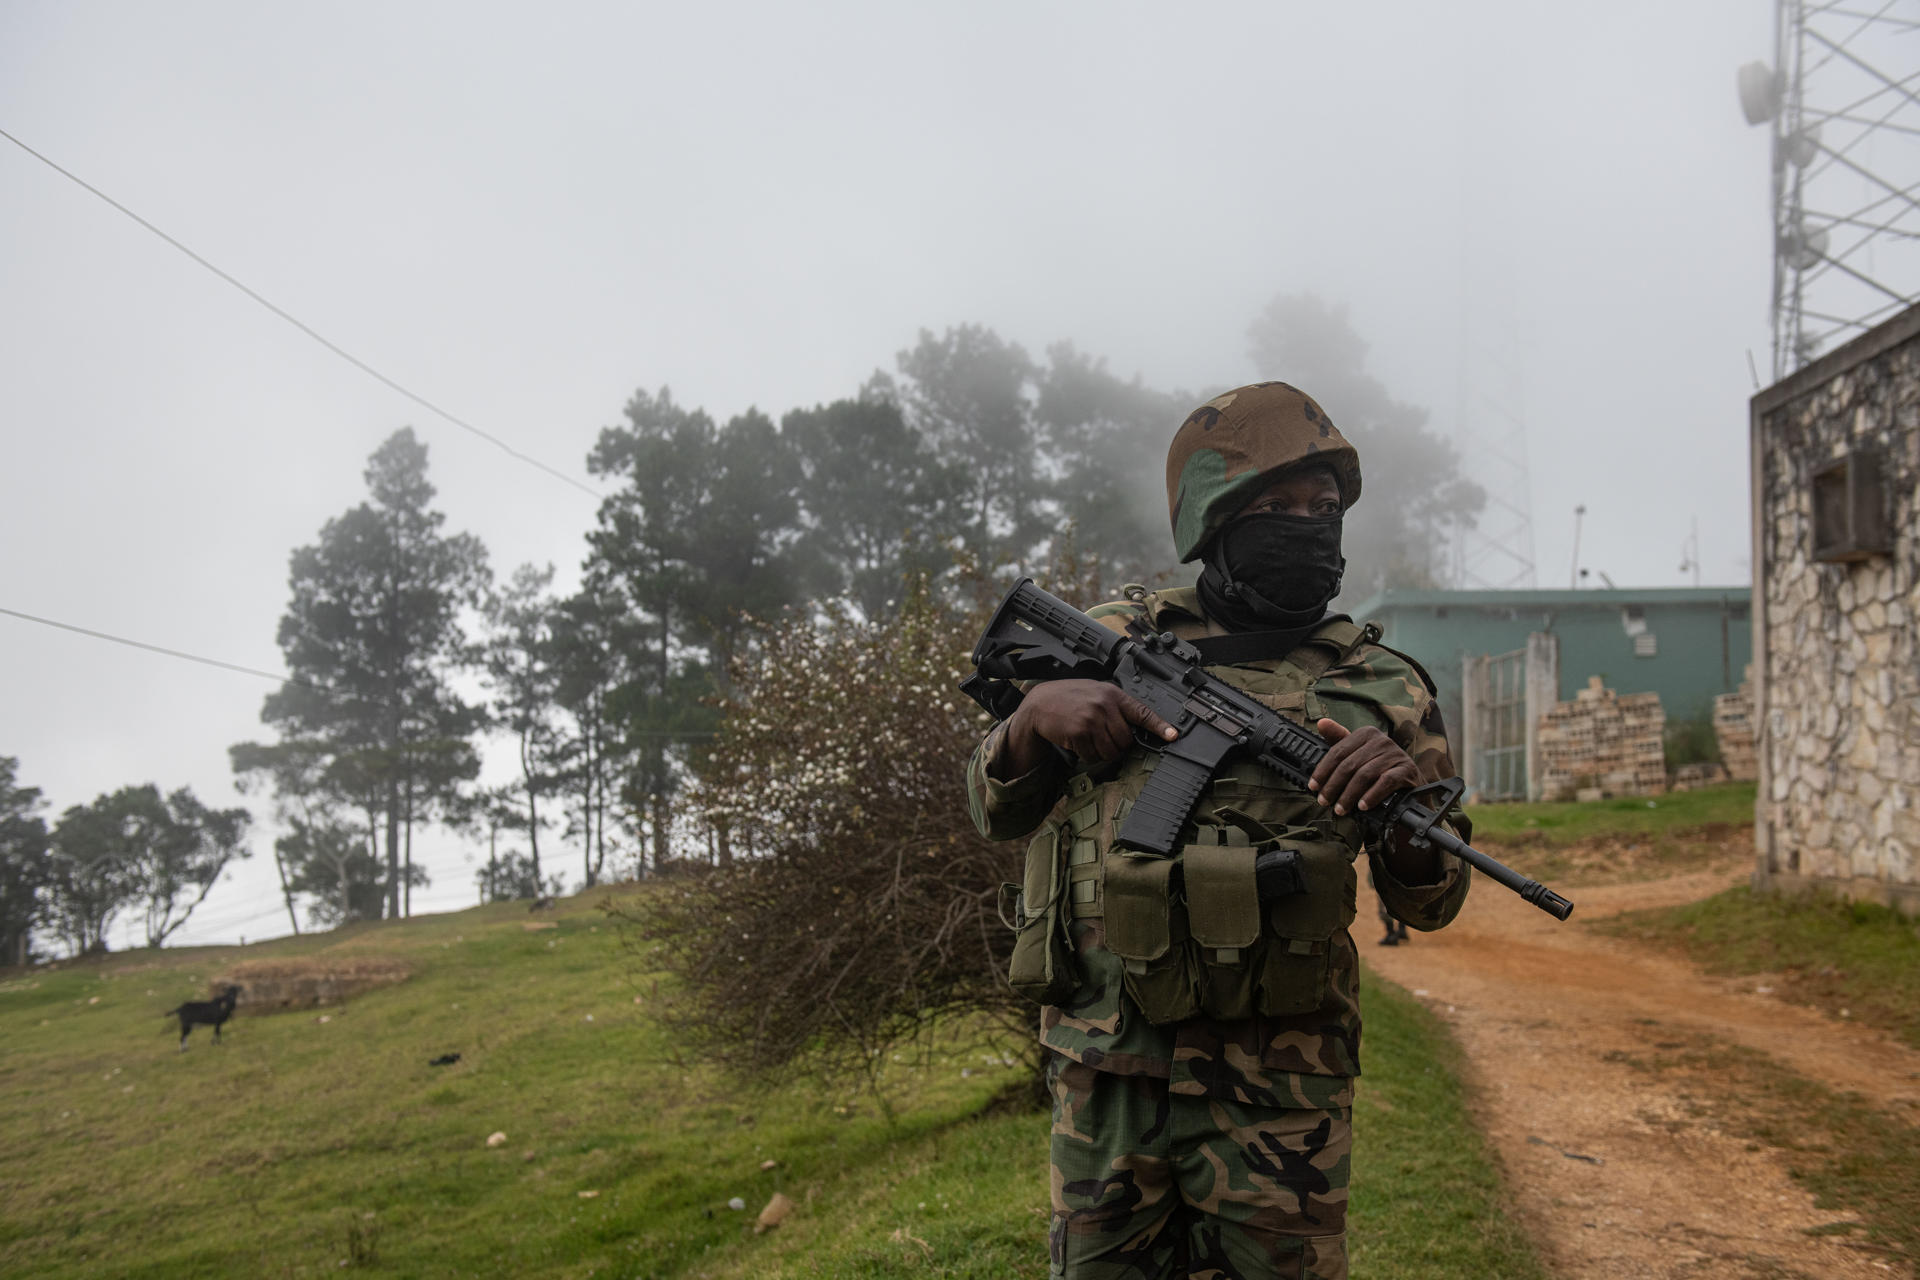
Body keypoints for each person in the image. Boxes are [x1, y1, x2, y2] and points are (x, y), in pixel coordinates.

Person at [965, 381, 1471, 1280]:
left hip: (1283, 1090)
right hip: (1109, 1071)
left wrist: (1402, 816)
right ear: (1214, 519)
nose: (1307, 525)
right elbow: (992, 807)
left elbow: (1430, 905)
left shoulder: (1384, 685)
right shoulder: (1116, 637)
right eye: (1277, 506)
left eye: (1324, 508)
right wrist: (1030, 717)